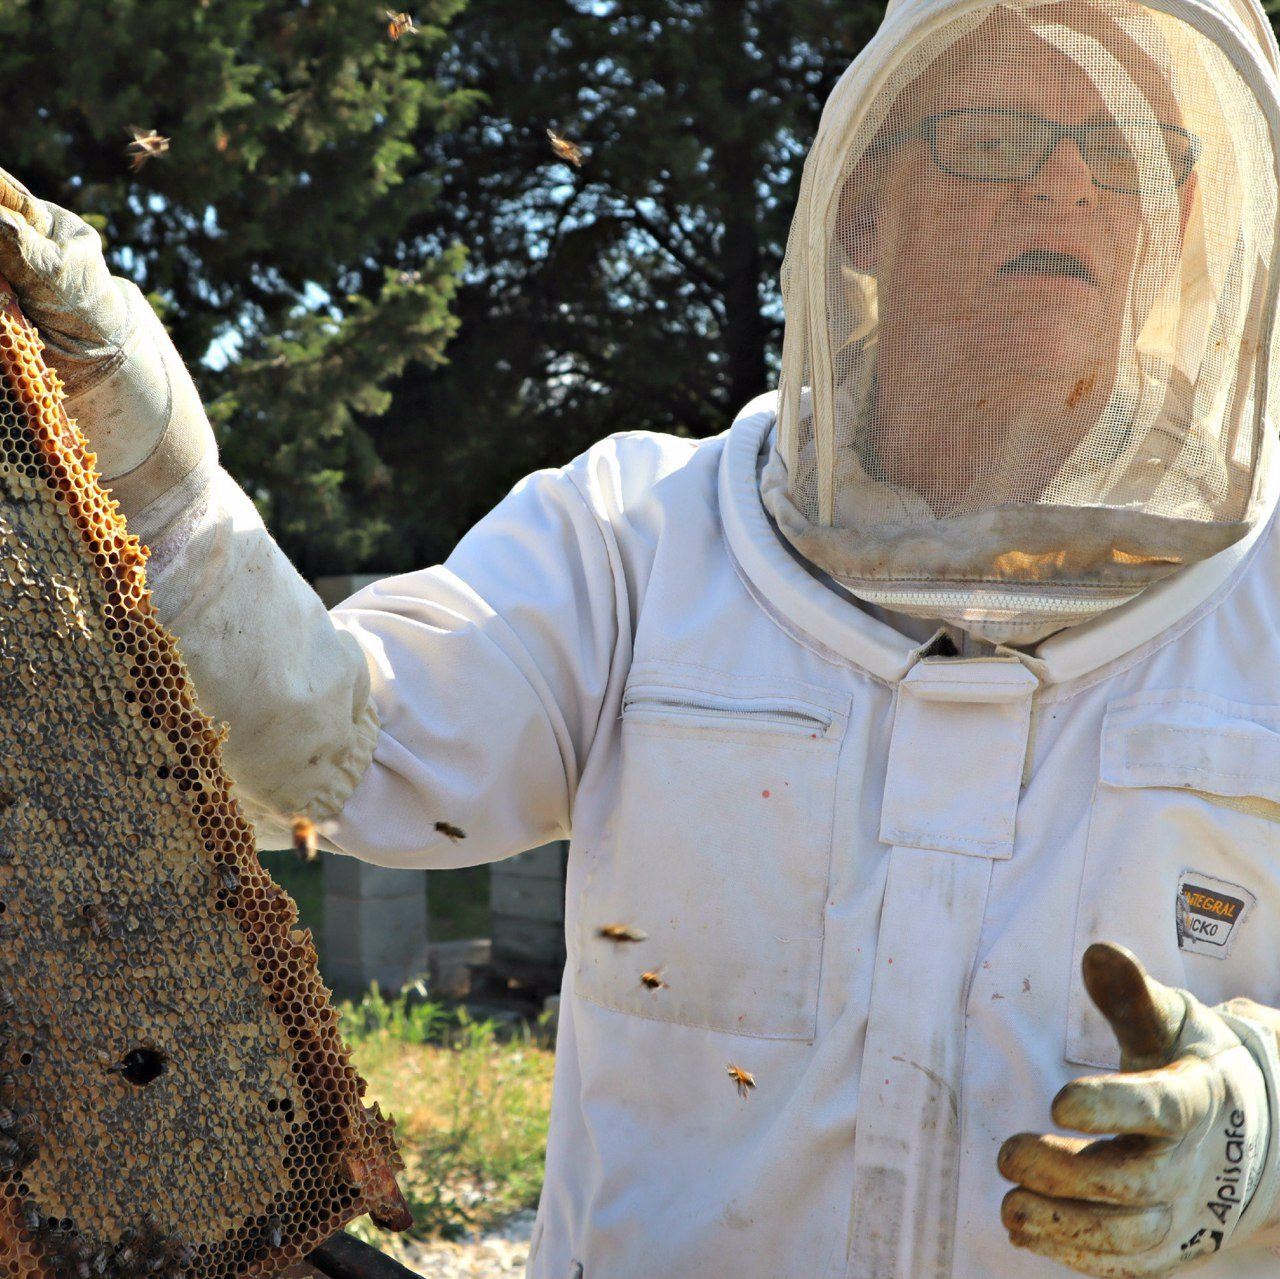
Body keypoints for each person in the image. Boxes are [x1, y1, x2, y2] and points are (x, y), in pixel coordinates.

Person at [5, 0, 1280, 1273]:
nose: (1067, 183)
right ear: (861, 208)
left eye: (1123, 150)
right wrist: (151, 474)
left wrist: (1259, 1122)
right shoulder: (635, 536)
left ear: (1179, 223)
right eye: (995, 136)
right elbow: (338, 751)